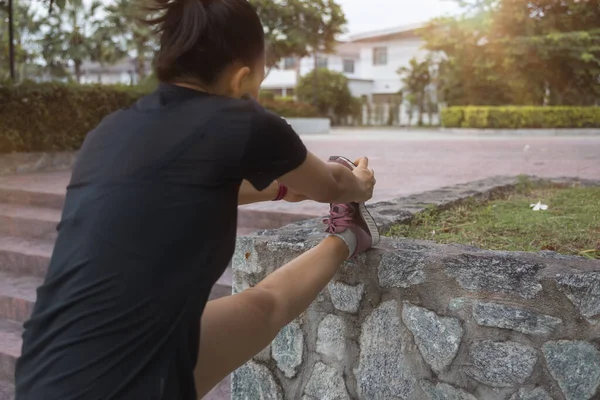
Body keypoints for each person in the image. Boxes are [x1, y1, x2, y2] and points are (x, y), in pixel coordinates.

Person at [14, 0, 379, 398]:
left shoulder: (109, 132)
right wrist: (360, 183)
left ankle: (349, 236)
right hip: (128, 385)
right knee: (270, 304)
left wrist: (278, 189)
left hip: (47, 366)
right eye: (261, 77)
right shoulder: (244, 122)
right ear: (241, 79)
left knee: (262, 307)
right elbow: (333, 185)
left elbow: (175, 185)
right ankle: (350, 234)